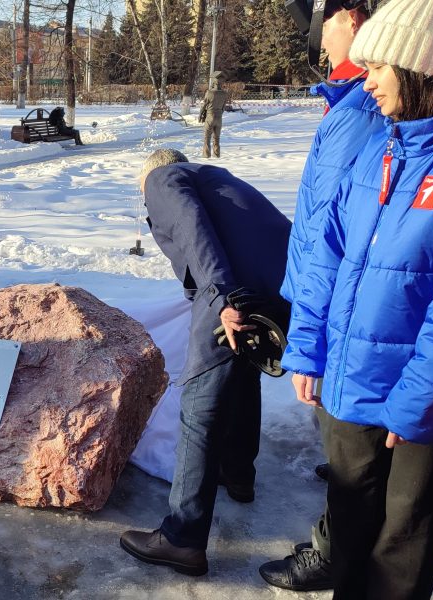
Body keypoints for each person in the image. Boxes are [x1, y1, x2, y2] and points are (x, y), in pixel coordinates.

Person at [281, 0, 433, 597]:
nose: (370, 80)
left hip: (425, 409)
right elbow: (325, 249)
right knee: (352, 540)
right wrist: (308, 344)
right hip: (349, 384)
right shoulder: (383, 144)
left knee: (398, 555)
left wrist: (416, 406)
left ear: (423, 69)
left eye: (380, 65)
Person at [259, 0, 384, 591]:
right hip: (326, 296)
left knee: (350, 448)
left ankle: (335, 552)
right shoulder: (354, 100)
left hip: (343, 305)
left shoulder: (369, 107)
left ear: (353, 19)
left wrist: (311, 326)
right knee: (347, 446)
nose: (315, 34)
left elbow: (341, 233)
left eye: (321, 20)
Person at [119, 149, 291, 576]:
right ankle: (238, 475)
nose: (146, 207)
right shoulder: (218, 179)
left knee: (200, 406)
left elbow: (192, 228)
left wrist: (224, 297)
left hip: (236, 292)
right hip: (280, 287)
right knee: (242, 373)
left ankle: (181, 538)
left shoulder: (163, 178)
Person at [199, 72, 228, 158]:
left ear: (214, 82)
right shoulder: (224, 94)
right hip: (219, 117)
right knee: (216, 138)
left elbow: (204, 105)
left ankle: (206, 155)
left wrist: (200, 114)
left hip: (210, 115)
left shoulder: (209, 93)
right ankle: (216, 154)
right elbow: (223, 107)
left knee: (207, 137)